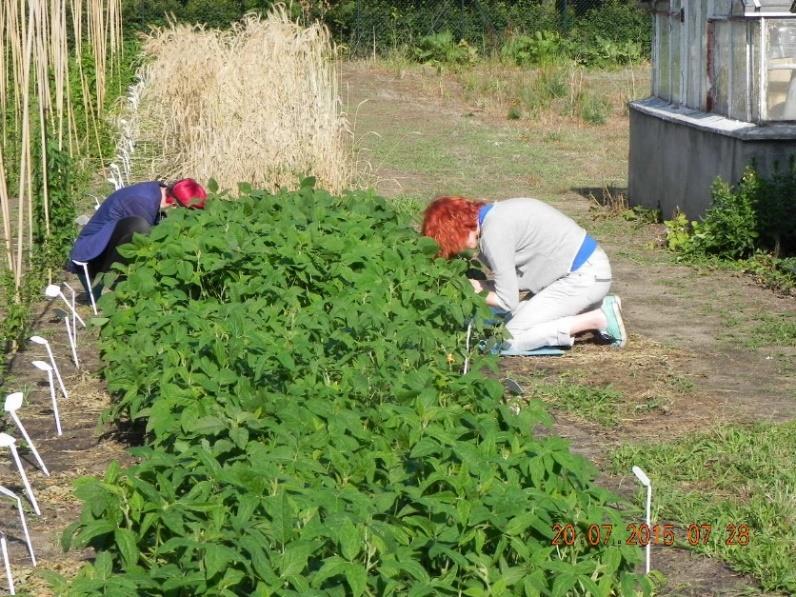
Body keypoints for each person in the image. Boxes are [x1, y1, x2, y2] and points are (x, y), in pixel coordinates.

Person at [421, 195, 626, 352]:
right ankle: (590, 307)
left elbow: (507, 300)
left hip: (583, 277)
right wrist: (480, 287)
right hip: (582, 272)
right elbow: (512, 285)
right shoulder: (494, 216)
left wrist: (473, 291)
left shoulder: (494, 235)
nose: (457, 250)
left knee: (506, 338)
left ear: (456, 229)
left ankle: (599, 318)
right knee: (511, 318)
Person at [68, 179, 207, 299]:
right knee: (141, 228)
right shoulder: (142, 201)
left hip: (109, 249)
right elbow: (147, 243)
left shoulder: (159, 193)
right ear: (176, 204)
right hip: (92, 258)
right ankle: (112, 285)